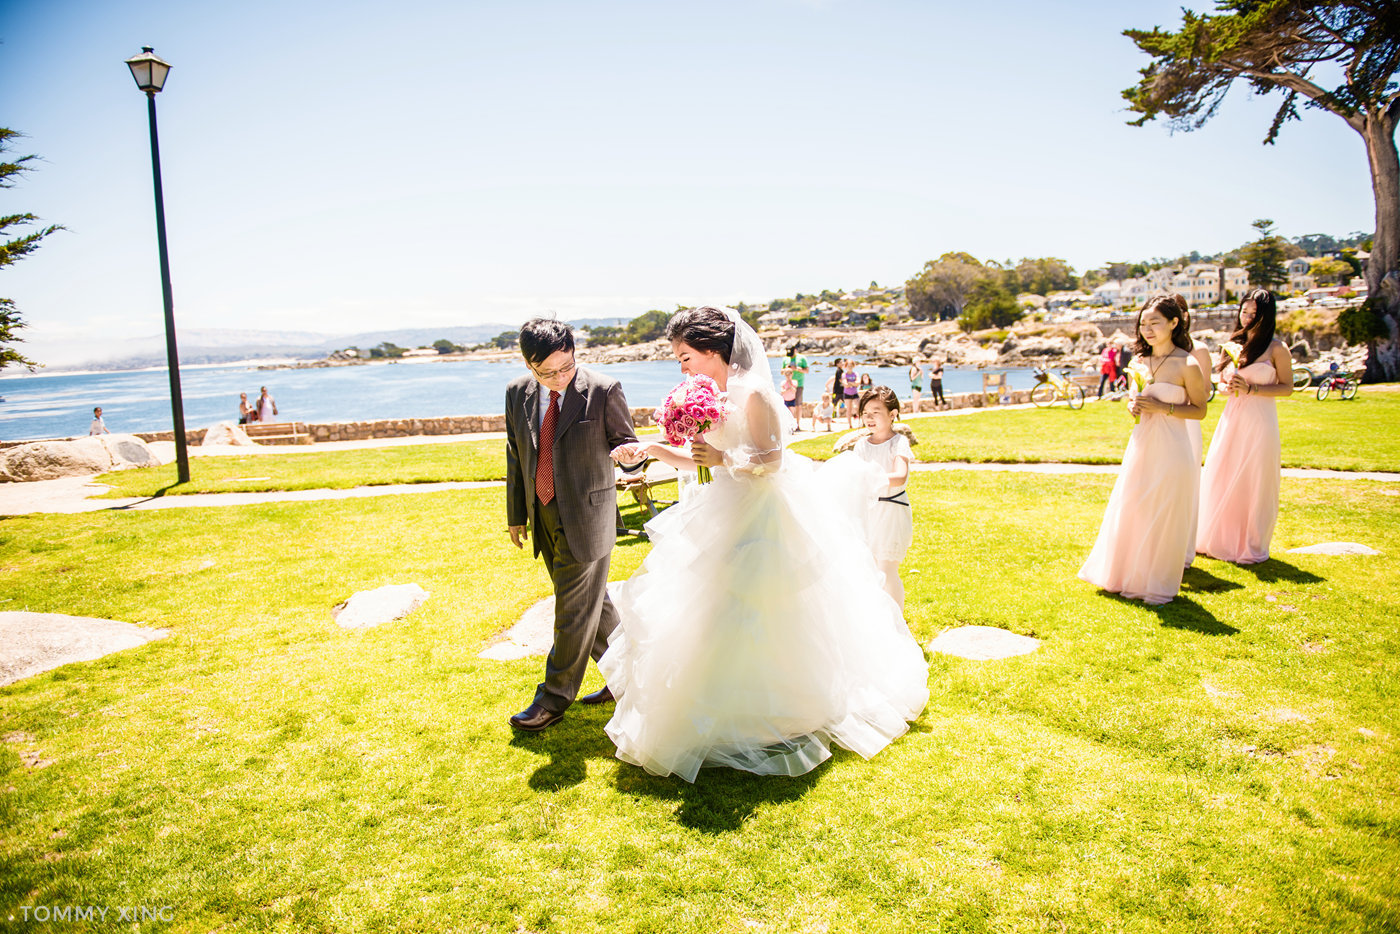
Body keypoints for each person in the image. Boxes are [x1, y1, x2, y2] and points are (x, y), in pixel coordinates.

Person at [602, 307, 928, 782]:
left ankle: (783, 709)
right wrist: (650, 450)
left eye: (686, 356)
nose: (682, 368)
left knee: (765, 609)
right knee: (715, 610)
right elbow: (700, 463)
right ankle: (723, 707)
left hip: (763, 514)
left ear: (713, 351)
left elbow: (772, 460)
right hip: (722, 508)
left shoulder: (753, 392)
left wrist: (721, 455)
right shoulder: (708, 396)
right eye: (678, 359)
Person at [504, 318, 643, 732]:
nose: (559, 378)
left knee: (570, 610)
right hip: (543, 514)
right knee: (592, 607)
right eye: (547, 372)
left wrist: (630, 456)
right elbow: (515, 454)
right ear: (529, 364)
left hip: (588, 516)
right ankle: (630, 681)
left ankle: (552, 698)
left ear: (573, 353)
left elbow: (626, 444)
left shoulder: (603, 388)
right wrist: (516, 514)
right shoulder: (516, 393)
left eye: (566, 367)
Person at [1078, 294, 1208, 605]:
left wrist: (1165, 408)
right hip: (1141, 445)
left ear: (1174, 323)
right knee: (1134, 506)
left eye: (1155, 322)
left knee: (1164, 511)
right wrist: (1133, 407)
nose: (1147, 329)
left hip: (1174, 447)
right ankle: (1123, 575)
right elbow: (1132, 401)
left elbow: (1200, 410)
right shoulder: (1138, 362)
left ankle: (1157, 581)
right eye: (1143, 323)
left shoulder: (1187, 363)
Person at [1196, 289, 1291, 565]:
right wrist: (1227, 387)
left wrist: (1253, 388)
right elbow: (1222, 385)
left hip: (1260, 421)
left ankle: (1250, 542)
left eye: (1254, 314)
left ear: (1266, 316)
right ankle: (1216, 537)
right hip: (1232, 419)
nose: (1248, 318)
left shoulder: (1276, 349)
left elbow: (1287, 388)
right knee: (1222, 470)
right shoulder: (1233, 344)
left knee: (1254, 477)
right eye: (1245, 312)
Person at [852, 386, 915, 611]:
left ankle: (897, 623)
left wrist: (869, 478)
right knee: (869, 567)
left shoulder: (898, 443)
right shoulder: (861, 446)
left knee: (887, 568)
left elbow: (899, 476)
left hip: (892, 511)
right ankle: (877, 618)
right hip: (869, 513)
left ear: (892, 414)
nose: (869, 418)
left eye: (876, 412)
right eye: (865, 412)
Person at [784, 345, 810, 432]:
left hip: (798, 384)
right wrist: (786, 369)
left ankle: (798, 425)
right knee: (787, 405)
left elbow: (807, 371)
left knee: (798, 405)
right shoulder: (786, 359)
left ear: (795, 350)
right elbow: (781, 371)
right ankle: (789, 424)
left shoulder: (802, 358)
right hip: (788, 385)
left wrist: (798, 369)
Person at [841, 359, 860, 429]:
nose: (850, 367)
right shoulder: (844, 374)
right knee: (849, 409)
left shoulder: (856, 374)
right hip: (847, 394)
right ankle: (850, 425)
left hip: (855, 393)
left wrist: (850, 383)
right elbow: (845, 385)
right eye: (848, 366)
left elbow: (858, 383)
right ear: (846, 366)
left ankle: (861, 422)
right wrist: (853, 383)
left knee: (858, 406)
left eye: (851, 366)